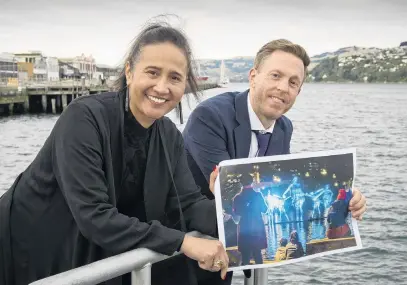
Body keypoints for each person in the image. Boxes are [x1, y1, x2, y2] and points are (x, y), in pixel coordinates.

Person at [0, 22, 230, 285]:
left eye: (175, 78)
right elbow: (93, 214)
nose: (162, 87)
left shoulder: (168, 135)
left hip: (91, 248)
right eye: (152, 72)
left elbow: (188, 204)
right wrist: (183, 242)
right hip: (31, 241)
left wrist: (236, 212)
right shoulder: (84, 118)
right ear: (130, 72)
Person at [182, 39, 367, 278]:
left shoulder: (283, 127)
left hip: (228, 249)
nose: (283, 87)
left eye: (293, 82)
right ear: (253, 76)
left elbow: (283, 181)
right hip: (185, 242)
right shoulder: (210, 116)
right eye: (275, 75)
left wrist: (345, 197)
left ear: (298, 92)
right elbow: (227, 188)